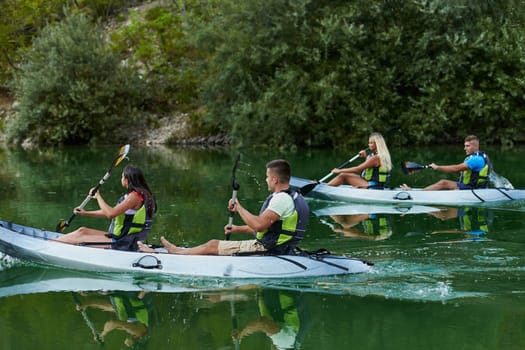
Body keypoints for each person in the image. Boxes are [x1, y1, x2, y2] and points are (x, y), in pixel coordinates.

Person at [138, 159, 309, 255]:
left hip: (268, 250)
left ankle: (177, 253)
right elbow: (272, 230)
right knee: (213, 247)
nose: (265, 180)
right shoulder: (294, 196)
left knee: (212, 245)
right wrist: (237, 229)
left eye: (267, 177)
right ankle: (186, 251)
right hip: (280, 247)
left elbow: (259, 225)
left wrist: (239, 207)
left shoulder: (281, 200)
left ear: (275, 180)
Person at [55, 165, 156, 251]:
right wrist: (85, 213)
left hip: (123, 241)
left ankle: (50, 245)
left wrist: (98, 196)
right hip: (120, 237)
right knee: (82, 230)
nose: (121, 179)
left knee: (79, 237)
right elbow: (110, 212)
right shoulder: (137, 195)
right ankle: (53, 243)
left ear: (126, 180)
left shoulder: (134, 197)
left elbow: (110, 214)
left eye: (122, 176)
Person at [401, 135, 492, 190]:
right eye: (465, 146)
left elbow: (456, 168)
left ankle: (416, 195)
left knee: (444, 182)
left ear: (475, 146)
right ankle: (422, 192)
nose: (465, 148)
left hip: (472, 188)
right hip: (472, 187)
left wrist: (438, 167)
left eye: (467, 146)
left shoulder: (476, 159)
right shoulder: (480, 156)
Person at [327, 132, 392, 188]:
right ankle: (328, 186)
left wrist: (339, 170)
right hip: (376, 184)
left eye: (371, 143)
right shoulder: (381, 155)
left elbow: (357, 169)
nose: (369, 145)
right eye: (369, 143)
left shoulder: (376, 157)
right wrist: (365, 157)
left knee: (343, 175)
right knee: (344, 174)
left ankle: (327, 188)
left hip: (372, 185)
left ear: (377, 144)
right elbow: (372, 167)